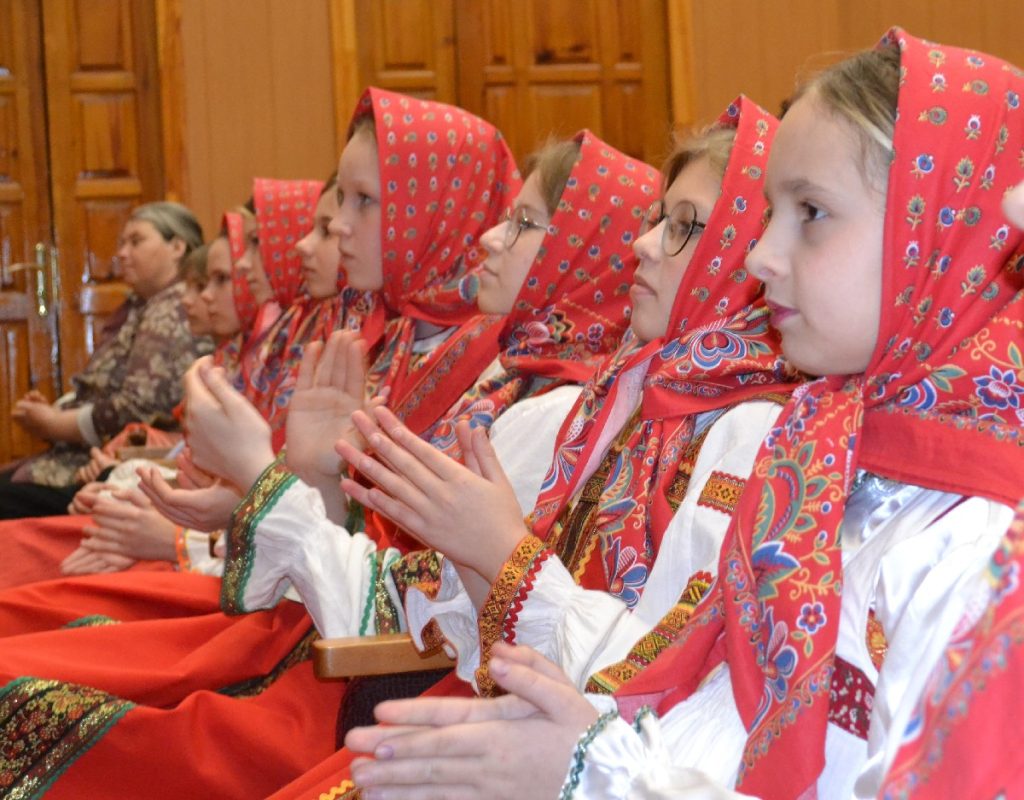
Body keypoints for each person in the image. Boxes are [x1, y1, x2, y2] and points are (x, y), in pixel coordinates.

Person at [344, 27, 1024, 800]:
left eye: (810, 211)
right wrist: (586, 750)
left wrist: (591, 771)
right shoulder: (818, 451)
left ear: (938, 233)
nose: (759, 256)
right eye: (767, 214)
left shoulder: (979, 539)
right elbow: (706, 714)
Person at [265, 97, 798, 800]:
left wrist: (498, 553)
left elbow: (667, 686)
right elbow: (475, 618)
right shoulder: (624, 399)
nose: (642, 245)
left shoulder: (740, 431)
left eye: (683, 227)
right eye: (655, 220)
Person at [0, 202, 210, 518]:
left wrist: (56, 424)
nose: (122, 253)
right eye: (122, 243)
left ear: (177, 247)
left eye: (136, 241)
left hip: (109, 464)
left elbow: (140, 407)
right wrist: (56, 413)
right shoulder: (144, 306)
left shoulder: (174, 308)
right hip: (91, 459)